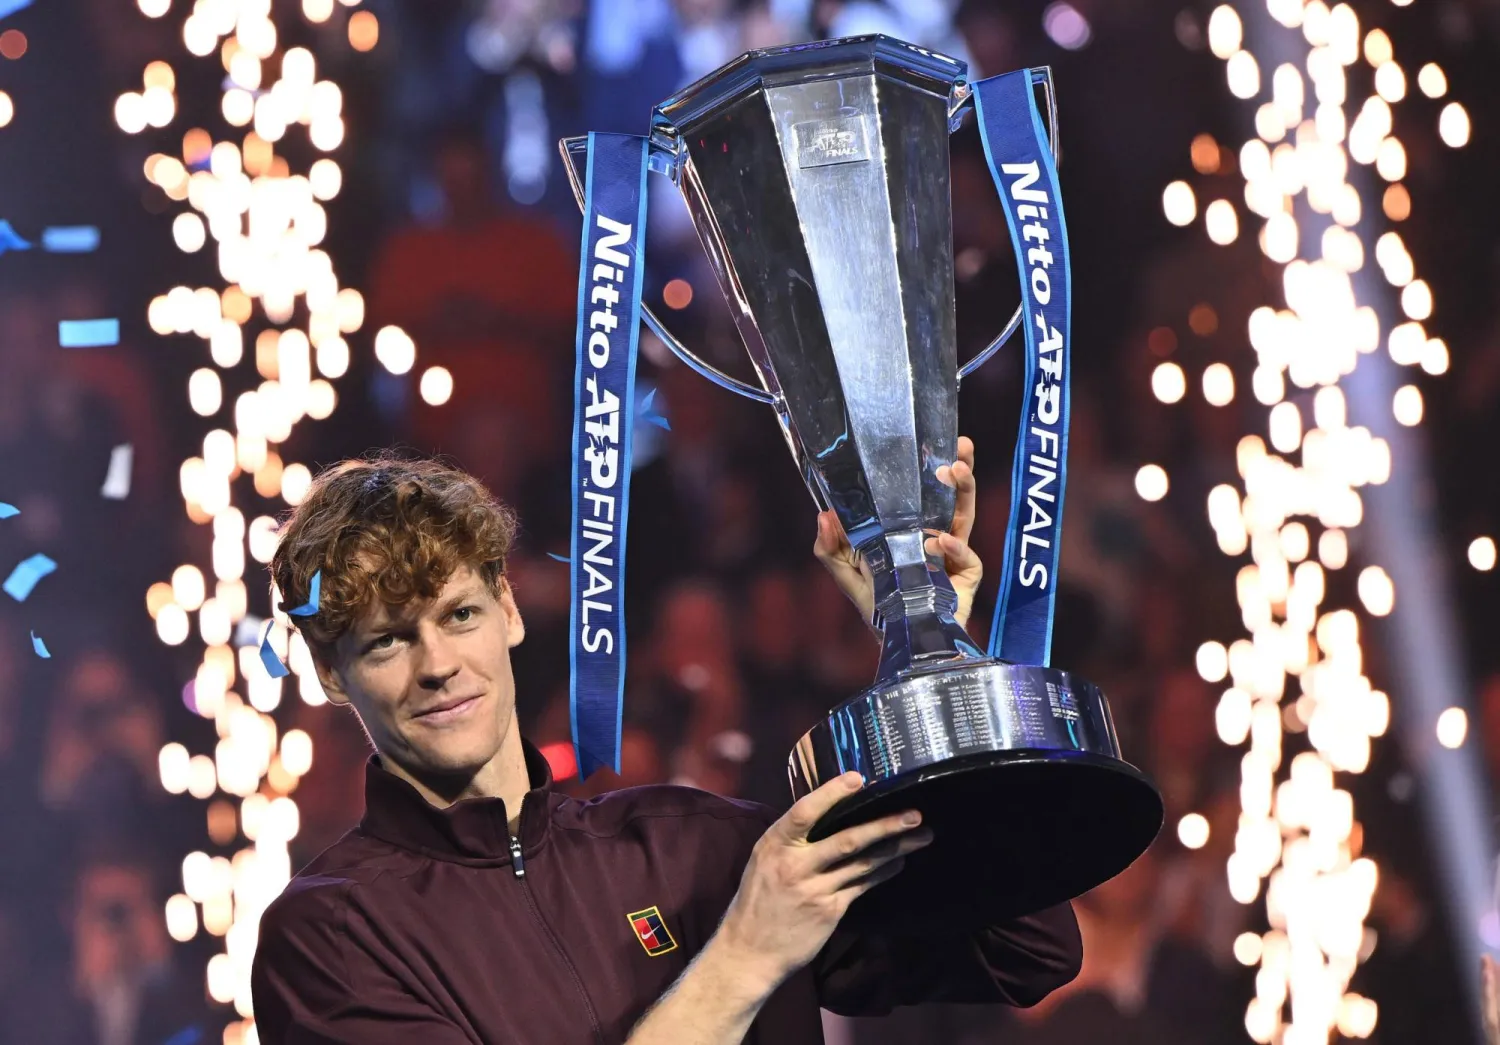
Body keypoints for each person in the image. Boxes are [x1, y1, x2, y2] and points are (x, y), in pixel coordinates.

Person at [250, 444, 1082, 1043]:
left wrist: (933, 653)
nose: (438, 665)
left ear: (507, 609)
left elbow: (1026, 949)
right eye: (388, 641)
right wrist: (748, 955)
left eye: (459, 614)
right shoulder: (330, 935)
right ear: (329, 670)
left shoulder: (696, 845)